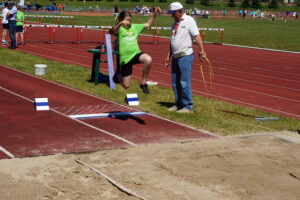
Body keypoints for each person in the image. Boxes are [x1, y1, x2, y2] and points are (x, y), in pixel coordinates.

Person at [165, 2, 206, 113]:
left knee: (184, 82)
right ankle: (178, 103)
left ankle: (188, 106)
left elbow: (197, 36)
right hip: (175, 56)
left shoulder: (189, 20)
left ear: (179, 11)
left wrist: (202, 50)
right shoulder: (174, 24)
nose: (172, 15)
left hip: (185, 56)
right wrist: (168, 56)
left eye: (173, 13)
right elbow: (172, 41)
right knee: (175, 82)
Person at [110, 8, 161, 94]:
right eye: (127, 20)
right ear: (122, 20)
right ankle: (119, 75)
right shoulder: (119, 29)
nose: (129, 23)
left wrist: (155, 14)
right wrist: (120, 24)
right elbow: (113, 31)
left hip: (135, 54)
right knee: (126, 86)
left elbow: (148, 24)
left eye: (130, 20)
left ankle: (143, 83)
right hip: (125, 59)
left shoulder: (135, 27)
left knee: (148, 59)